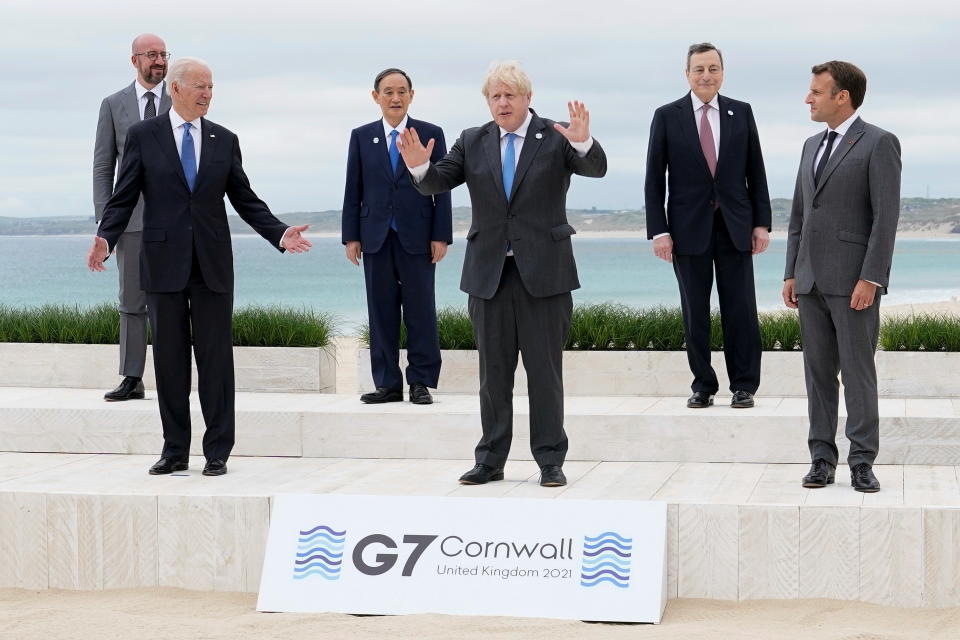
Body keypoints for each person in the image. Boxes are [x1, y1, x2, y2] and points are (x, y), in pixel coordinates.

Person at [86, 57, 312, 477]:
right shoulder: (142, 136)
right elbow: (124, 196)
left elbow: (245, 198)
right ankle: (174, 451)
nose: (207, 94)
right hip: (162, 264)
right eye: (199, 86)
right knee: (169, 361)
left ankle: (217, 450)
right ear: (175, 89)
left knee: (215, 360)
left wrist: (279, 233)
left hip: (211, 265)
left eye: (211, 87)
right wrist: (106, 237)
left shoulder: (224, 139)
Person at [397, 61, 606, 487]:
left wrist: (584, 144)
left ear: (528, 98)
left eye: (511, 95)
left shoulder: (557, 134)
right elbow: (438, 181)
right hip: (489, 275)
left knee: (545, 374)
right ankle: (490, 460)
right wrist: (419, 167)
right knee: (493, 375)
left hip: (545, 275)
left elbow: (594, 168)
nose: (503, 102)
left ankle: (550, 460)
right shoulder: (472, 140)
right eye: (496, 95)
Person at [783, 61, 901, 493]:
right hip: (810, 280)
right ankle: (820, 458)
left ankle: (862, 461)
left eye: (816, 91)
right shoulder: (810, 145)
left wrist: (871, 277)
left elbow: (885, 219)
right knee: (817, 375)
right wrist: (791, 272)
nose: (808, 98)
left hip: (854, 282)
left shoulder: (879, 143)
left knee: (857, 372)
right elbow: (799, 215)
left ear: (842, 97)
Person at [645, 42, 772, 410]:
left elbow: (756, 171)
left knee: (741, 311)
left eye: (713, 68)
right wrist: (659, 230)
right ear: (687, 74)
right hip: (686, 230)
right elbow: (654, 179)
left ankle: (744, 385)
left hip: (735, 226)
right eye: (699, 69)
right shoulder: (667, 116)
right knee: (694, 312)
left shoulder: (741, 112)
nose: (706, 75)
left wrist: (761, 223)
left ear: (722, 72)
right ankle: (703, 384)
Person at [342, 68, 452, 405]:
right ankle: (387, 383)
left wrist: (441, 235)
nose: (395, 98)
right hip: (375, 236)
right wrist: (351, 236)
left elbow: (442, 187)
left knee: (421, 310)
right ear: (375, 96)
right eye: (388, 91)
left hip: (418, 236)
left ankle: (421, 381)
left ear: (411, 95)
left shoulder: (430, 133)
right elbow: (353, 188)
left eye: (402, 91)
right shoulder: (361, 136)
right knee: (381, 312)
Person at [93, 33, 172, 402]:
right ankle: (132, 376)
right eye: (151, 55)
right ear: (135, 60)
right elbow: (103, 165)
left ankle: (174, 375)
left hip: (176, 220)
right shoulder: (113, 105)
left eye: (163, 54)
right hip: (131, 221)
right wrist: (105, 224)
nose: (159, 61)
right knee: (131, 301)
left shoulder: (181, 98)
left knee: (175, 299)